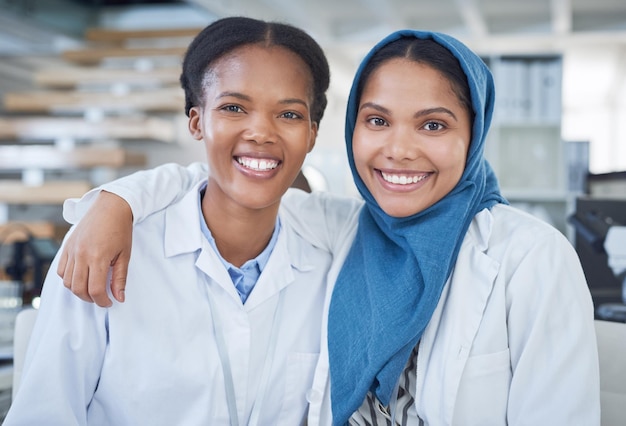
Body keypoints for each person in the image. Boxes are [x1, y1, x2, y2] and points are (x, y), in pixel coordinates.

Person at [49, 30, 599, 425]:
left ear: (474, 135)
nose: (398, 149)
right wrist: (115, 201)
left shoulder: (530, 256)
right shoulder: (344, 229)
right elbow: (221, 182)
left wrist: (114, 199)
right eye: (376, 120)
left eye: (433, 124)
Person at [5, 16, 368, 425]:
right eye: (234, 107)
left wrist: (121, 197)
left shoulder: (334, 257)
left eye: (288, 115)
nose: (261, 132)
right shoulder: (103, 250)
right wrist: (116, 202)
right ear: (197, 121)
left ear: (312, 134)